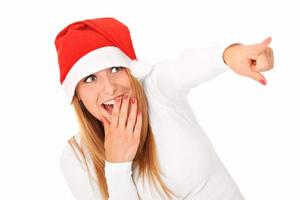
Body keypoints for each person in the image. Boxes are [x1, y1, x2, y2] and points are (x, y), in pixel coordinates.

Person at [54, 17, 274, 200]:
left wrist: (230, 55)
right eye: (90, 78)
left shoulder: (156, 89)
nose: (110, 88)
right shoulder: (76, 158)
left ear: (131, 71)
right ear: (76, 94)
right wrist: (117, 168)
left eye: (115, 68)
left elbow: (187, 66)